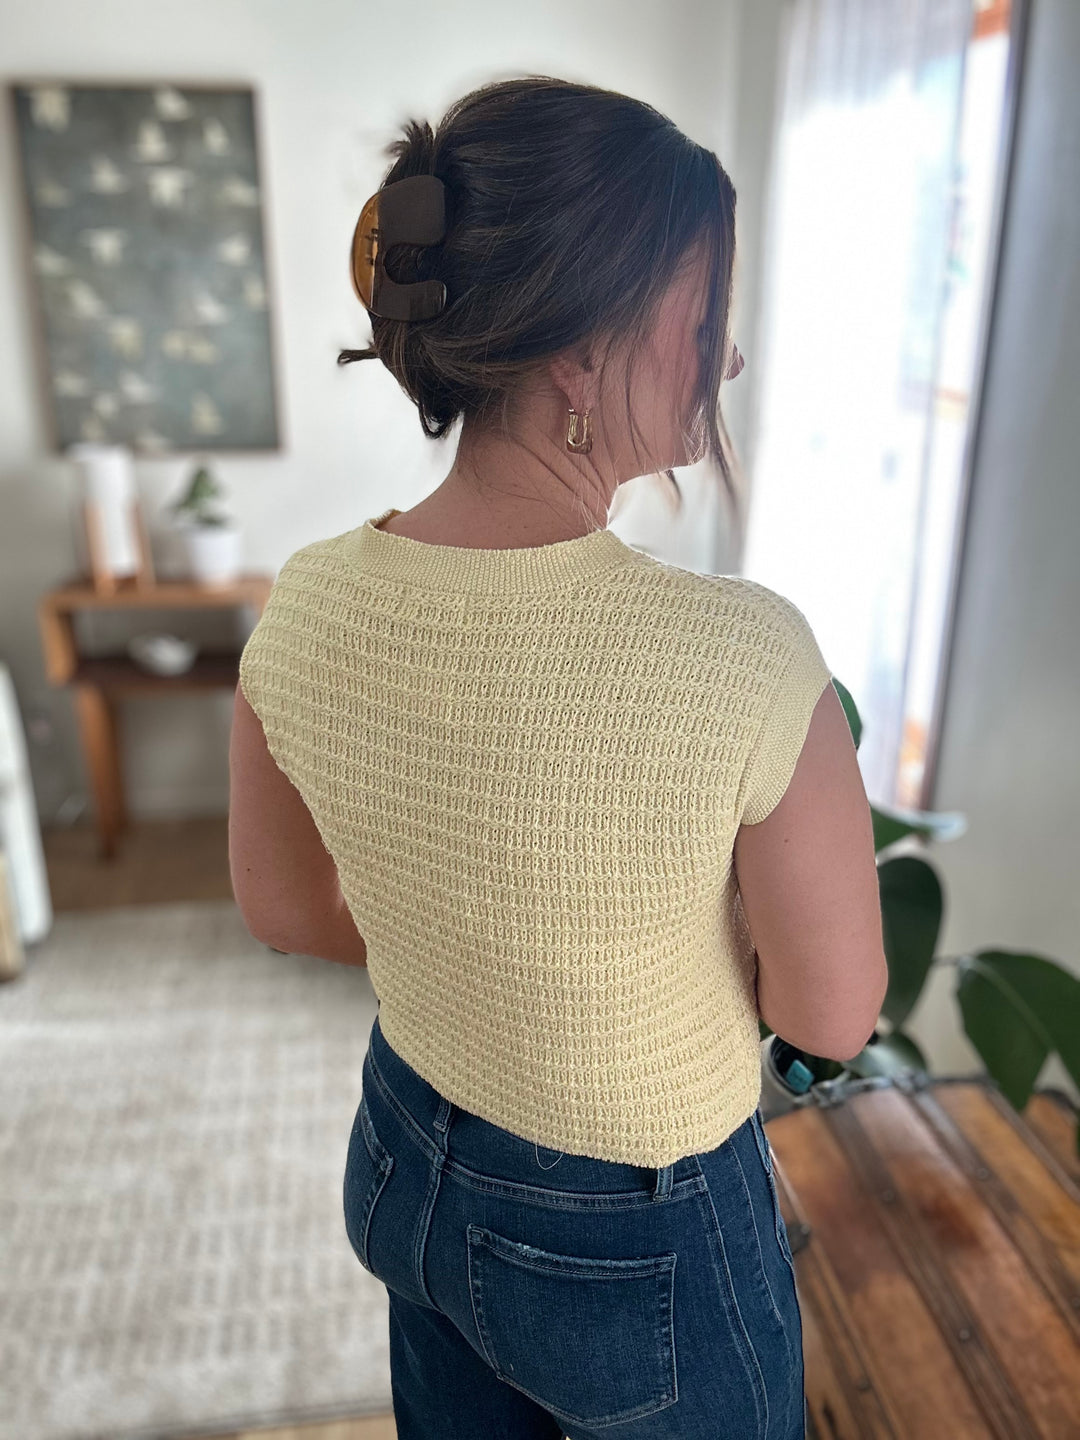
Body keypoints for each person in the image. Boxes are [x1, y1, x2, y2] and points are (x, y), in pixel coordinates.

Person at [229, 75, 887, 1440]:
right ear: (581, 355)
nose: (730, 362)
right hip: (636, 1246)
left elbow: (286, 911)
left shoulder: (304, 605)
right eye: (703, 322)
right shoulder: (745, 659)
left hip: (410, 1161)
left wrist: (475, 933)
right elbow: (832, 1017)